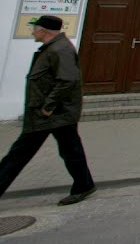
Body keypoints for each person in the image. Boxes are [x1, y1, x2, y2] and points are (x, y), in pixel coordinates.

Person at [0, 15, 96, 205]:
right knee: (70, 151)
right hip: (55, 114)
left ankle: (84, 185)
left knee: (18, 155)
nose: (32, 32)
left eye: (35, 28)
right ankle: (84, 185)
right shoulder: (54, 48)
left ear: (43, 31)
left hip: (50, 114)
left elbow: (68, 81)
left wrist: (47, 107)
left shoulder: (60, 50)